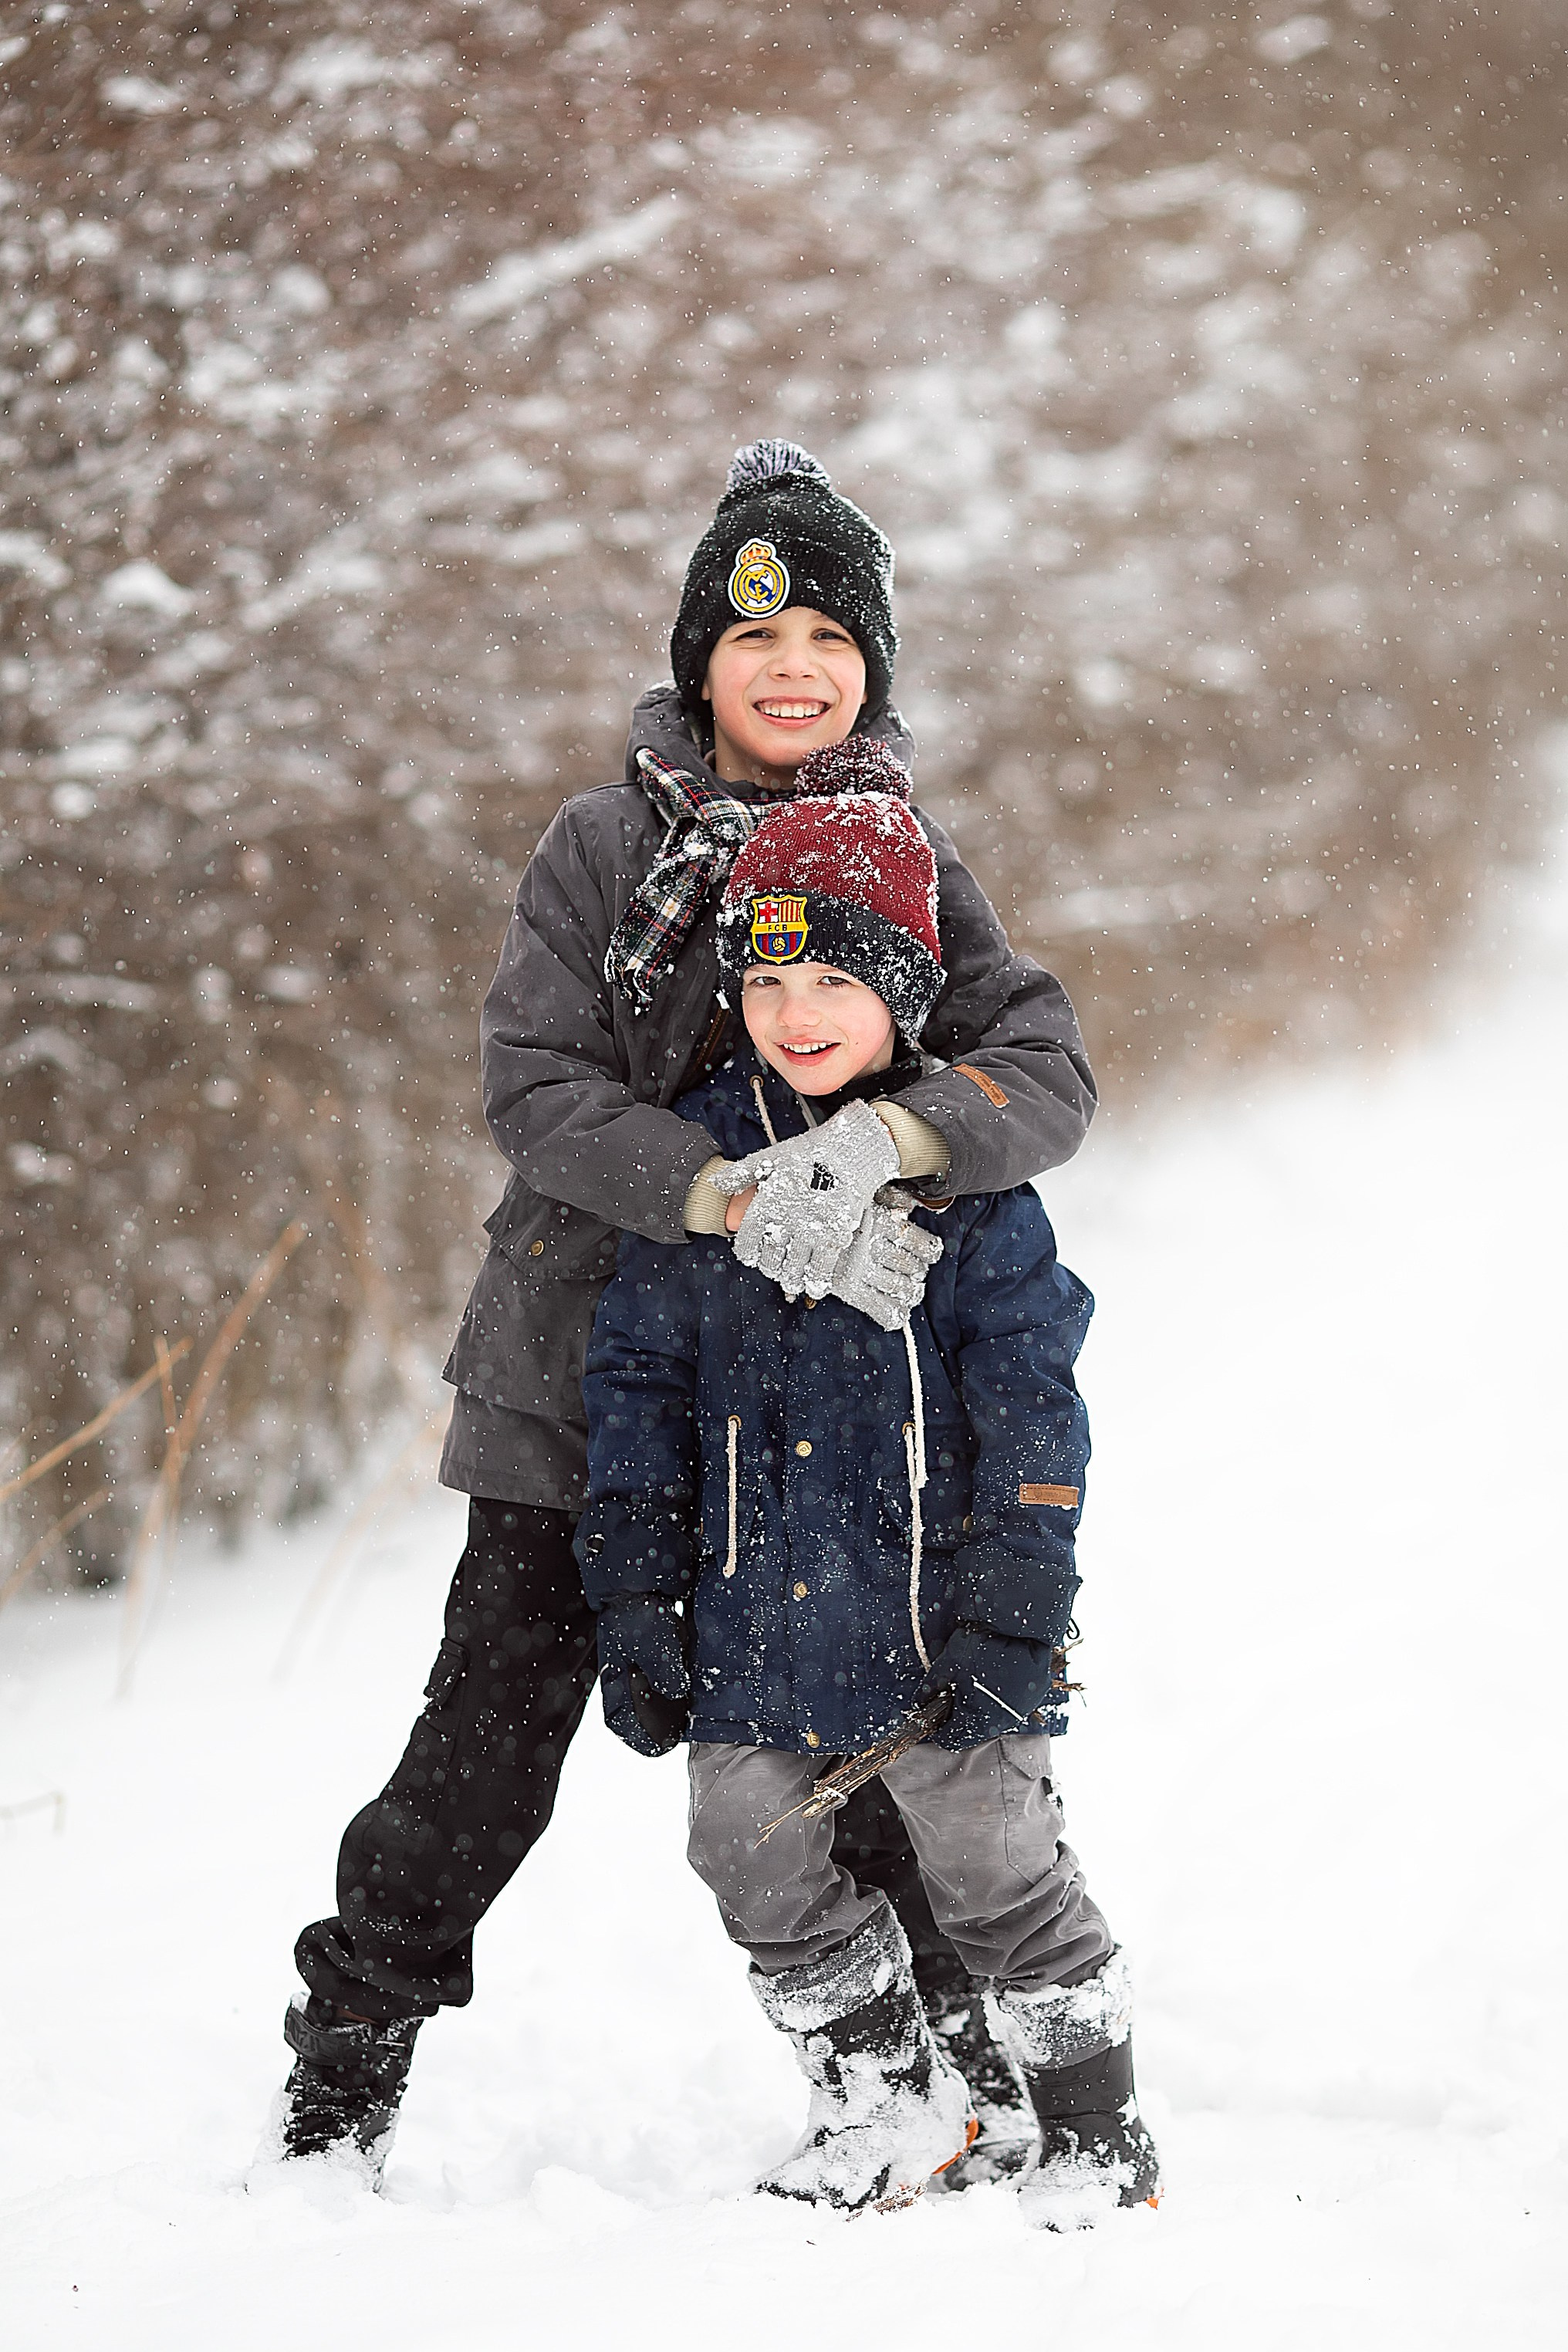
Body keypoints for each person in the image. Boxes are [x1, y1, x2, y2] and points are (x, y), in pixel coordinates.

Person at [270, 441, 1099, 2178]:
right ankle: (346, 2064)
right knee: (490, 1735)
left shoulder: (900, 856)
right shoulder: (599, 848)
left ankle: (953, 2081)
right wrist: (722, 1194)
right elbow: (536, 1092)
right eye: (756, 633)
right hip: (586, 1379)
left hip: (833, 1405)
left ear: (870, 667)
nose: (792, 667)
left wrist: (881, 1143)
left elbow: (1041, 1070)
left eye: (830, 637)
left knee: (872, 1736)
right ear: (696, 661)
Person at [576, 767, 1159, 2227]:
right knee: (744, 1856)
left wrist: (1020, 1603)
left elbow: (1037, 1404)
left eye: (837, 972)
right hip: (752, 1630)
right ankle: (893, 2105)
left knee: (997, 1873)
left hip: (936, 1612)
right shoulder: (711, 1166)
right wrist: (635, 1591)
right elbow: (638, 1387)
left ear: (903, 986)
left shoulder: (968, 1180)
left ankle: (1097, 2134)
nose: (797, 1006)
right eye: (768, 974)